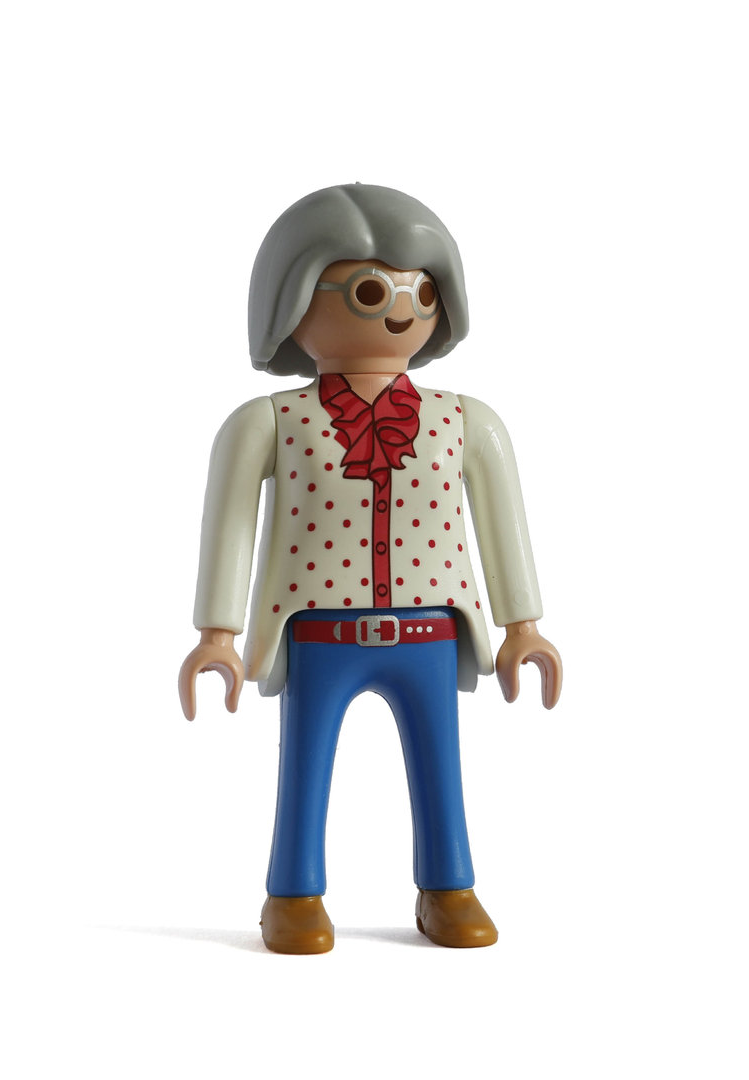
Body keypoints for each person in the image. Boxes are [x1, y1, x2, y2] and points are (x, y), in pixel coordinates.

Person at [179, 184, 562, 953]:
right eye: (368, 292)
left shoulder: (466, 422)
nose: (399, 312)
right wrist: (216, 636)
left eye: (421, 292)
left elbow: (502, 523)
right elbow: (229, 526)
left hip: (431, 632)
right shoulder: (271, 422)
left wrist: (523, 625)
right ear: (291, 299)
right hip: (318, 634)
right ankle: (293, 892)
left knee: (441, 766)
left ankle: (448, 885)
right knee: (305, 766)